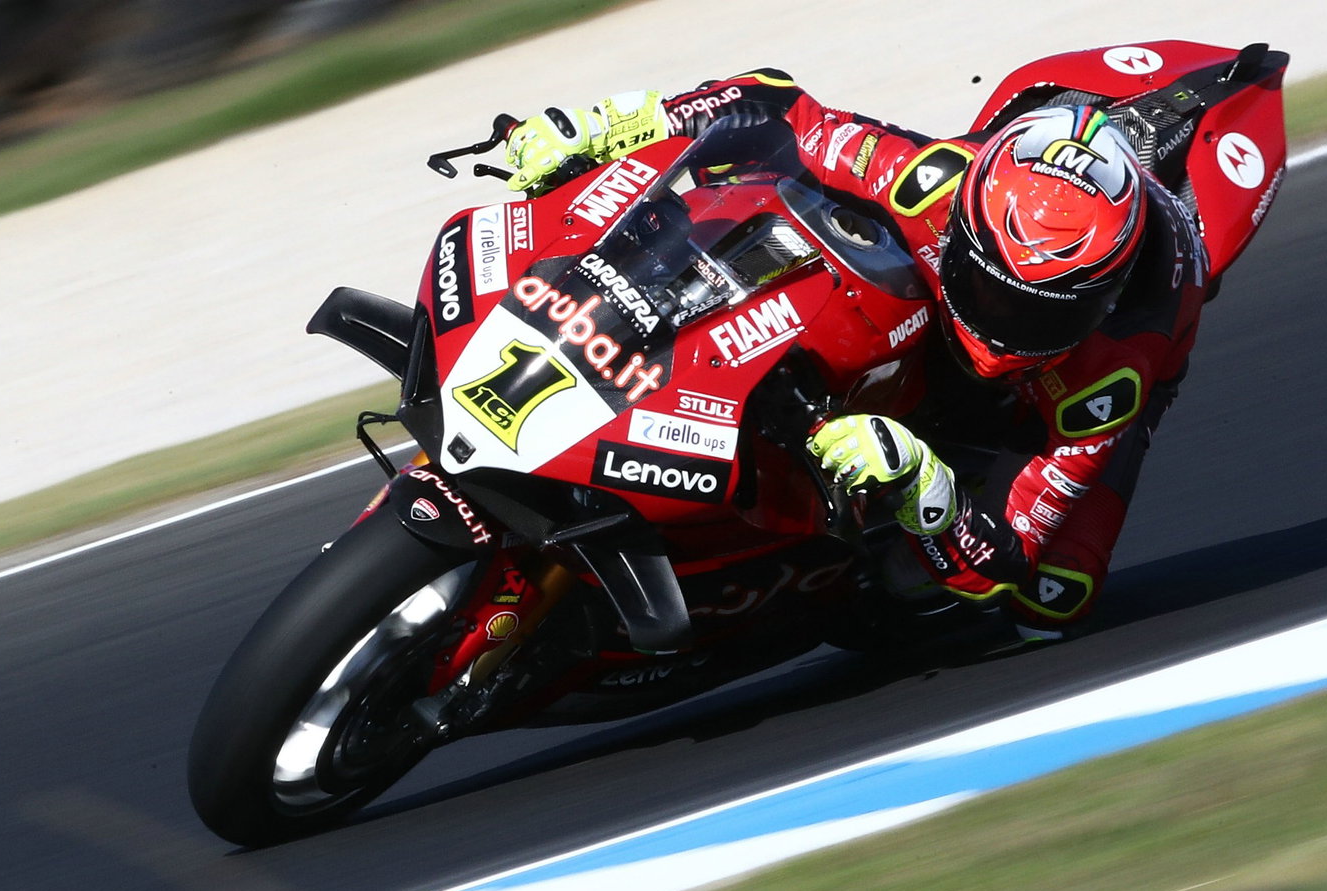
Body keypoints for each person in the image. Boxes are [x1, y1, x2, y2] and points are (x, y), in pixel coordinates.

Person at [502, 69, 1208, 642]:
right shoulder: (933, 181)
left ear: (1100, 301)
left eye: (1041, 311)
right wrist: (627, 121)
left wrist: (922, 487)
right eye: (992, 294)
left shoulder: (1112, 373)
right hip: (931, 283)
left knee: (1051, 605)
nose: (1003, 330)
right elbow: (782, 109)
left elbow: (1002, 562)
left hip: (1072, 393)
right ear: (968, 227)